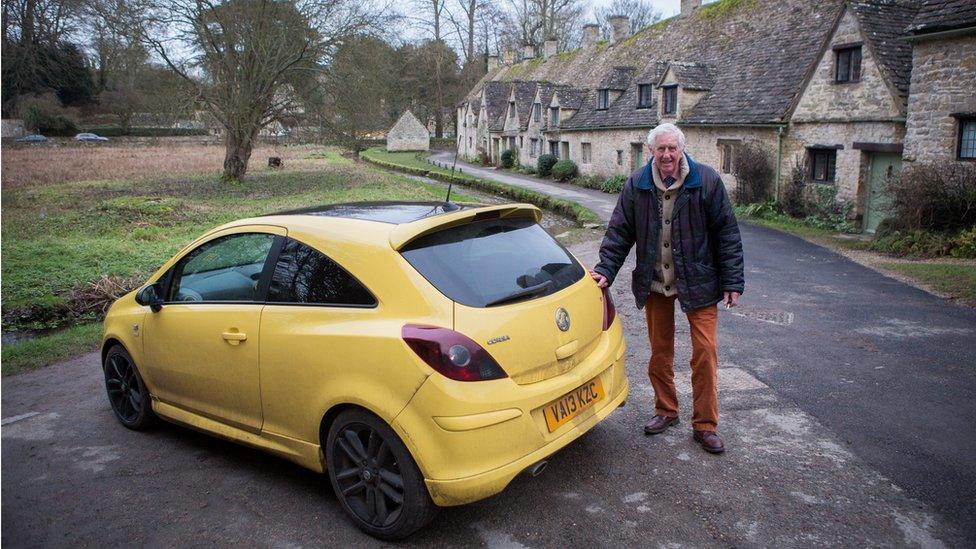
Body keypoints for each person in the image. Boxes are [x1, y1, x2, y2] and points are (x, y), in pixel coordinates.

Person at [590, 123, 744, 454]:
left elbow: (726, 233)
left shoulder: (706, 181)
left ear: (681, 149)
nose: (667, 155)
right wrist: (605, 269)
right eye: (661, 149)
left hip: (700, 281)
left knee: (705, 353)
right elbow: (619, 232)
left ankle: (705, 424)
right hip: (656, 282)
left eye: (672, 148)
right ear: (651, 152)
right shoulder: (637, 184)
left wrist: (732, 281)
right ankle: (666, 410)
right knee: (660, 353)